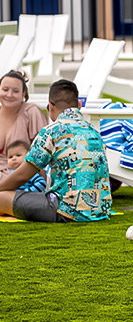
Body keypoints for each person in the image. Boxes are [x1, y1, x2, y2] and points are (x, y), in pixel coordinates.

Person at [0, 80, 111, 223]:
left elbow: (22, 176)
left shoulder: (51, 131)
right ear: (79, 105)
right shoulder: (94, 133)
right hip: (100, 209)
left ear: (50, 107)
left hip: (66, 211)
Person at [0, 70, 49, 181]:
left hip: (23, 179)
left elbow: (44, 152)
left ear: (23, 94)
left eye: (15, 91)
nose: (9, 95)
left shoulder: (31, 113)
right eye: (5, 90)